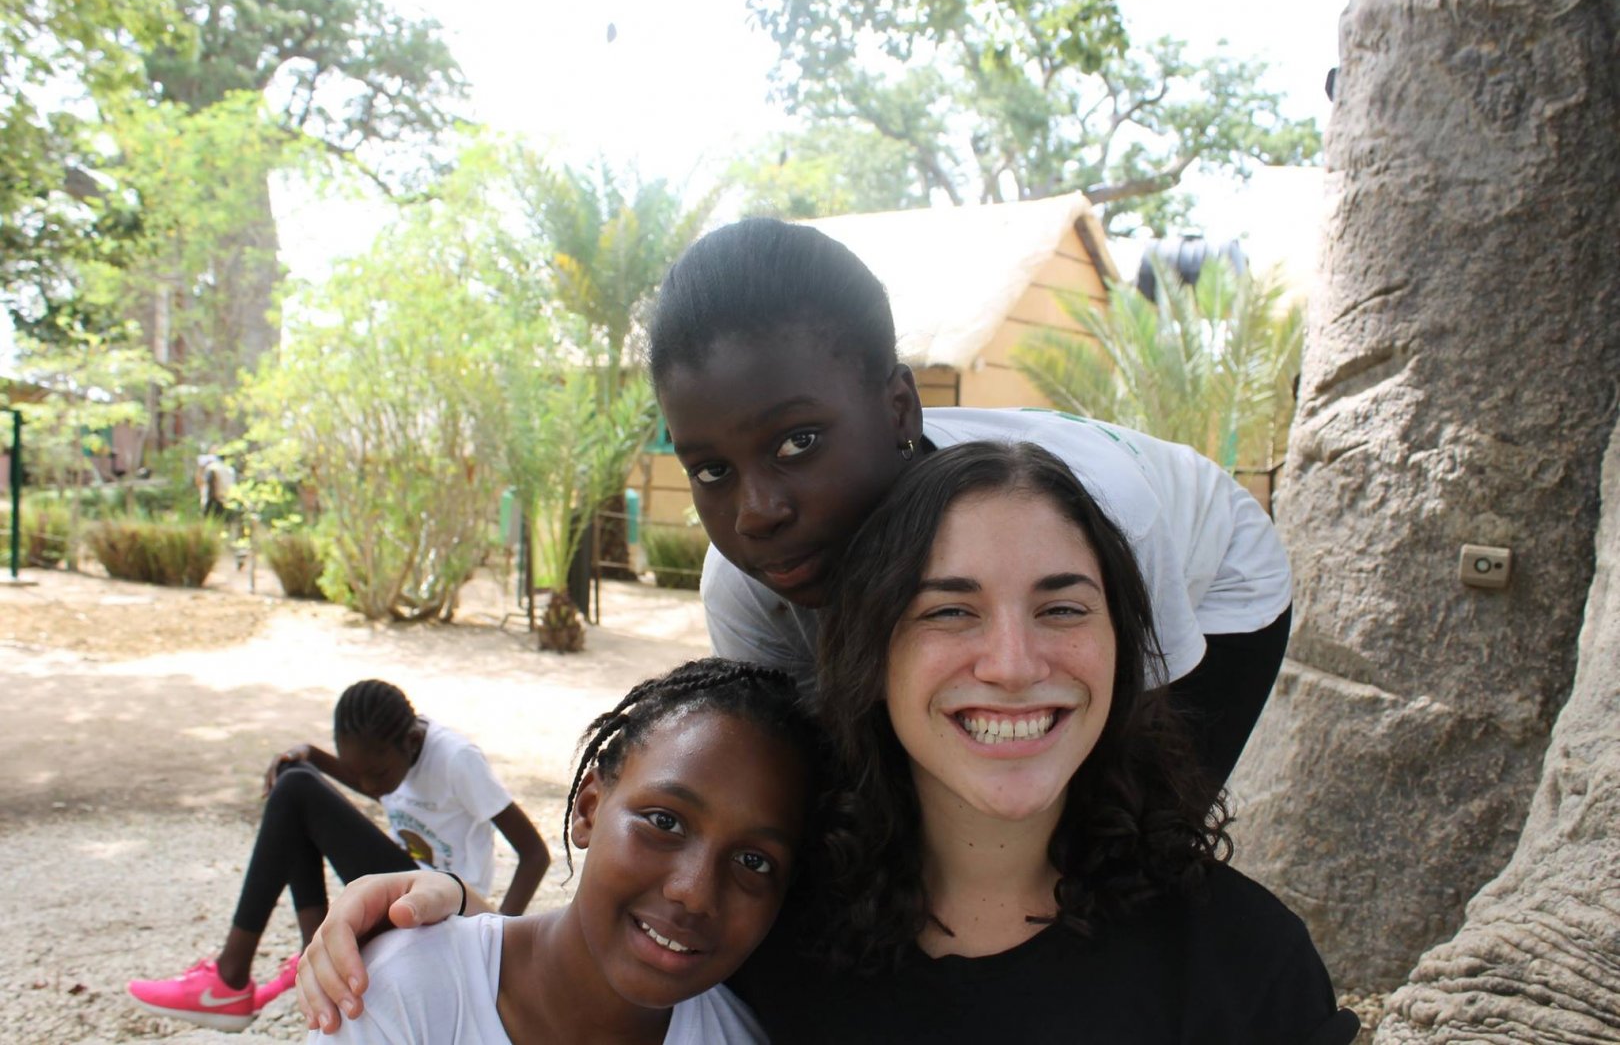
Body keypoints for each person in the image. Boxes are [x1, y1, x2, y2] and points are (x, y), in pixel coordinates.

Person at [296, 443, 1357, 1043]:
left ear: (1124, 651)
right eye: (949, 611)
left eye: (1063, 607)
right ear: (870, 662)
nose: (1013, 660)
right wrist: (429, 918)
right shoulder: (772, 933)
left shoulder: (1238, 966)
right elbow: (585, 965)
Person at [649, 217, 1292, 791]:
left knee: (1129, 822)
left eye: (799, 442)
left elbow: (1125, 735)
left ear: (899, 408)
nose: (755, 512)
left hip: (1220, 583)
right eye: (711, 469)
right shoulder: (747, 586)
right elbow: (796, 776)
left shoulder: (1083, 519)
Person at [309, 658, 818, 1044]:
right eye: (664, 822)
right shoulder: (401, 992)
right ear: (589, 808)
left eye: (753, 861)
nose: (694, 892)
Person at [127, 679, 548, 1033]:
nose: (370, 786)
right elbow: (374, 782)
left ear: (412, 741)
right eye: (356, 772)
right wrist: (312, 756)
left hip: (444, 908)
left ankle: (228, 978)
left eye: (376, 774)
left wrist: (495, 944)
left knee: (295, 792)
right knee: (294, 782)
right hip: (402, 893)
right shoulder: (389, 759)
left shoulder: (456, 759)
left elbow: (534, 854)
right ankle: (315, 957)